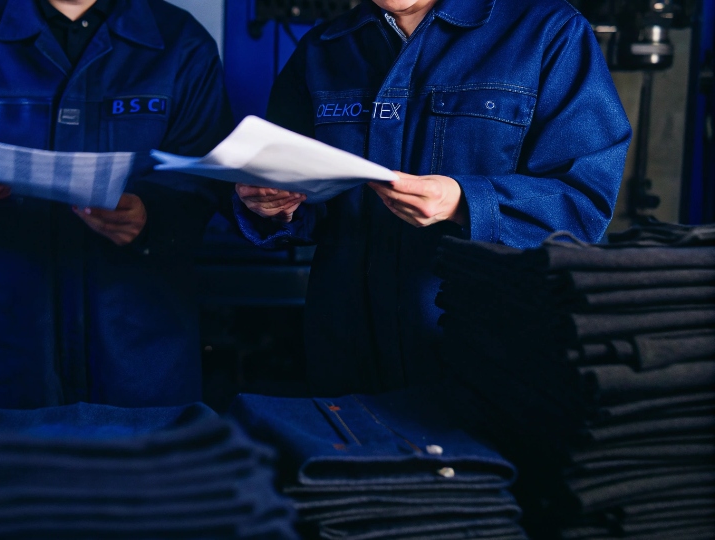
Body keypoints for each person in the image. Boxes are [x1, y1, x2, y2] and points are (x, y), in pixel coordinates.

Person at [235, 0, 632, 396]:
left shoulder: (547, 32)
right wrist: (274, 205)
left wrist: (463, 202)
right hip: (347, 351)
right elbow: (305, 199)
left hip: (483, 352)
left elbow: (583, 201)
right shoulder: (323, 48)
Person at [0, 0, 233, 409]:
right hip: (8, 323)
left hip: (140, 328)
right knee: (15, 464)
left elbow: (210, 176)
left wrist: (150, 214)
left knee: (142, 465)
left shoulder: (180, 42)